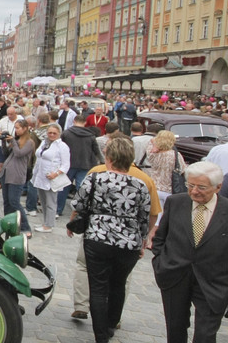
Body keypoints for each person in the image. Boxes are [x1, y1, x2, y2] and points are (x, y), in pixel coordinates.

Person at [151, 161, 228, 343]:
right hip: (175, 276)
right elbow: (160, 238)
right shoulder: (176, 202)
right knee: (175, 330)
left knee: (205, 336)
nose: (194, 191)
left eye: (201, 187)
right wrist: (160, 262)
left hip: (214, 283)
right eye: (190, 185)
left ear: (218, 187)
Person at [69, 137, 161, 322]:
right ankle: (113, 318)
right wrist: (145, 238)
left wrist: (73, 223)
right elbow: (150, 213)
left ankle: (82, 305)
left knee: (85, 268)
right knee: (120, 281)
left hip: (96, 234)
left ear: (109, 156)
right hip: (128, 240)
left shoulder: (96, 172)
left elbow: (79, 204)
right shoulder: (144, 180)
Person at [60, 113, 104, 217]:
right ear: (85, 123)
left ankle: (58, 210)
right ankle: (81, 212)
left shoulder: (66, 133)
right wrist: (102, 161)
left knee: (64, 187)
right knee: (82, 188)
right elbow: (96, 150)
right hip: (85, 164)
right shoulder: (91, 135)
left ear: (74, 121)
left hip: (69, 164)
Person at [31, 123, 70, 232]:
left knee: (51, 202)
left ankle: (49, 225)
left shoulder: (62, 146)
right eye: (50, 133)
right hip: (40, 176)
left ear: (59, 134)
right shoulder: (44, 143)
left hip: (51, 177)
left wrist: (56, 173)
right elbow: (39, 156)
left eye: (54, 133)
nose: (52, 135)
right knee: (43, 201)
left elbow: (66, 165)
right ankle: (45, 223)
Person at [1, 119, 37, 233]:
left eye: (18, 128)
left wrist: (13, 141)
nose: (15, 130)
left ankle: (25, 227)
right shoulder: (17, 140)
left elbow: (19, 153)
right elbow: (6, 153)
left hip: (17, 175)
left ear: (25, 128)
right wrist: (4, 142)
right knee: (6, 201)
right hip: (6, 173)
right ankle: (8, 224)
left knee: (14, 202)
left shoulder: (29, 142)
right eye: (15, 128)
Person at [143, 131, 186, 205]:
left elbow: (151, 141)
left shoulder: (152, 154)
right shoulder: (176, 155)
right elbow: (183, 170)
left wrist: (156, 145)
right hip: (170, 189)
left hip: (155, 188)